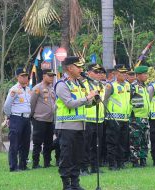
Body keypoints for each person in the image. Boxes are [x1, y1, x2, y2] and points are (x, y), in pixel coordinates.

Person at [55, 56, 97, 190]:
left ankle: (75, 184)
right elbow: (69, 103)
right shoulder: (62, 84)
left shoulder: (79, 84)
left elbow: (84, 104)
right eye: (78, 67)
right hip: (66, 127)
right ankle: (66, 185)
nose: (81, 69)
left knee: (77, 156)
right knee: (66, 157)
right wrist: (87, 98)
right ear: (69, 68)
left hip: (80, 125)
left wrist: (93, 100)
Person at [4, 67, 31, 172]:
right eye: (22, 76)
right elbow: (7, 105)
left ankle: (23, 165)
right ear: (17, 77)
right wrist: (9, 116)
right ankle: (13, 166)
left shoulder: (28, 89)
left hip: (26, 118)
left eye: (26, 76)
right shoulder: (14, 90)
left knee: (26, 142)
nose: (25, 78)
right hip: (16, 118)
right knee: (14, 143)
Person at [104, 64, 131, 170]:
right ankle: (112, 164)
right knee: (112, 142)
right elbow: (105, 100)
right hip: (113, 118)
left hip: (125, 118)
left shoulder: (128, 85)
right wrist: (105, 114)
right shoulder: (111, 86)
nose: (124, 75)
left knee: (123, 142)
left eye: (125, 73)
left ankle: (121, 163)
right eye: (122, 73)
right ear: (115, 73)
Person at [81, 64, 105, 175]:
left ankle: (95, 167)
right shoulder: (83, 85)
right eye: (96, 72)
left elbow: (101, 101)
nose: (99, 74)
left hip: (99, 119)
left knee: (97, 145)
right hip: (88, 119)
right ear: (89, 73)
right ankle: (84, 168)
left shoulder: (101, 86)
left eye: (100, 72)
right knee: (86, 145)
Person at [30, 69, 56, 169]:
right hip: (39, 119)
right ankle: (35, 163)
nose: (51, 78)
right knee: (37, 142)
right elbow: (32, 103)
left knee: (48, 142)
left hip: (50, 120)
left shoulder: (52, 88)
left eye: (52, 76)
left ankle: (47, 162)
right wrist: (32, 116)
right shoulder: (37, 88)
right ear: (44, 76)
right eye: (49, 75)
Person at [129, 66, 150, 167]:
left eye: (146, 74)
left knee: (145, 139)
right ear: (137, 75)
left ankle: (143, 159)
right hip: (135, 118)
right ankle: (135, 160)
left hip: (145, 117)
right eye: (144, 74)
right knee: (135, 140)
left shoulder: (145, 86)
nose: (146, 76)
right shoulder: (133, 86)